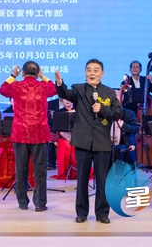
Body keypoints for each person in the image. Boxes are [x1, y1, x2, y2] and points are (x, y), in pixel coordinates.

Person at [55, 59, 123, 224]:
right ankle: (81, 213)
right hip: (83, 141)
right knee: (82, 179)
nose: (92, 73)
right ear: (85, 72)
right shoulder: (78, 89)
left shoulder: (109, 92)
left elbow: (117, 113)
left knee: (102, 180)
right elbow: (65, 94)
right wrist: (59, 83)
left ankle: (102, 213)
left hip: (102, 141)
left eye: (95, 70)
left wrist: (102, 109)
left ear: (102, 73)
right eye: (89, 70)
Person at [0, 61, 57, 212]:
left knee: (21, 169)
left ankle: (23, 203)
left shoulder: (16, 86)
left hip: (20, 134)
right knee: (40, 171)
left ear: (23, 73)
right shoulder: (43, 86)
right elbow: (55, 88)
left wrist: (13, 75)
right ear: (37, 72)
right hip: (40, 134)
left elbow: (2, 89)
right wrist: (43, 77)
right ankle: (40, 204)